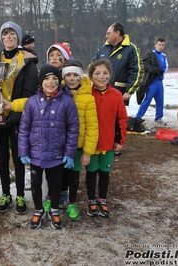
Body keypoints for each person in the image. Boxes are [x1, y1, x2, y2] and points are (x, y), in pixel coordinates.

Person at [0, 21, 38, 215]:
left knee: (19, 158)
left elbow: (30, 92)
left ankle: (21, 195)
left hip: (19, 117)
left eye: (12, 33)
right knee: (2, 157)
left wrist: (15, 114)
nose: (8, 36)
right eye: (4, 33)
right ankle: (6, 194)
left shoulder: (28, 61)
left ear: (18, 37)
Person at [18, 65, 79, 229]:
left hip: (57, 155)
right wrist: (23, 150)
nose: (50, 82)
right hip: (36, 154)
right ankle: (38, 209)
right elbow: (24, 129)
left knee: (56, 184)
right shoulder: (32, 102)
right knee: (36, 184)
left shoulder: (67, 101)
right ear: (40, 82)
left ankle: (54, 210)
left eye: (54, 79)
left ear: (59, 81)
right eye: (46, 79)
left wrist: (69, 152)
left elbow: (73, 129)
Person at [86, 59, 128, 218]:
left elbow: (122, 119)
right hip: (91, 144)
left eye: (105, 73)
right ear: (90, 76)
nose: (101, 76)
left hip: (109, 143)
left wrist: (120, 140)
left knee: (104, 173)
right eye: (97, 73)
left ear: (110, 75)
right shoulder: (88, 94)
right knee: (91, 173)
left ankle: (102, 200)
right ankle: (91, 201)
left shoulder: (116, 95)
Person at [58, 60, 98, 221]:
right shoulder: (58, 93)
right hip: (60, 145)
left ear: (81, 76)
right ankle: (60, 195)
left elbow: (92, 127)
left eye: (75, 75)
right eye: (68, 75)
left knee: (74, 176)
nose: (72, 78)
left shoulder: (88, 99)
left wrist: (87, 152)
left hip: (77, 146)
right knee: (60, 174)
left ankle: (72, 202)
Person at [91, 22, 143, 106]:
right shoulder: (103, 49)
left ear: (117, 33)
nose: (106, 36)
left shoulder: (131, 49)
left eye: (108, 33)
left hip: (119, 94)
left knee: (116, 118)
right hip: (100, 92)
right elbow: (92, 66)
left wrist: (129, 91)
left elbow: (137, 71)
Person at [135, 38, 168, 124]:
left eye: (162, 45)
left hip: (159, 81)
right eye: (159, 45)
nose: (160, 47)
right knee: (148, 99)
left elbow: (166, 67)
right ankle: (138, 117)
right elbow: (146, 66)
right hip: (151, 81)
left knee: (160, 100)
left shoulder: (164, 56)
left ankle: (158, 117)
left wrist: (162, 71)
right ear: (155, 45)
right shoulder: (150, 54)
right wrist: (156, 70)